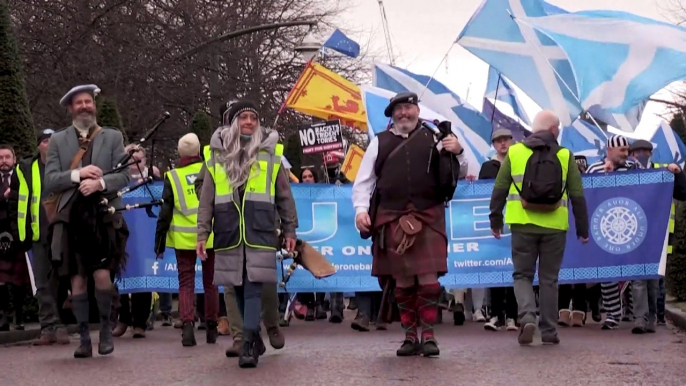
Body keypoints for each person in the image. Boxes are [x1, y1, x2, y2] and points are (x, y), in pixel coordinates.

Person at [353, 91, 467, 357]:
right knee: (402, 279)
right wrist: (360, 211)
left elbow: (458, 172)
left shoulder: (436, 139)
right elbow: (364, 181)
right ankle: (409, 337)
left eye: (408, 108)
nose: (403, 113)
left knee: (428, 277)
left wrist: (458, 152)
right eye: (398, 109)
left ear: (417, 110)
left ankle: (428, 335)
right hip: (391, 217)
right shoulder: (379, 142)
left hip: (428, 214)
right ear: (392, 115)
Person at [197, 100, 298, 368]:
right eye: (244, 117)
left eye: (254, 117)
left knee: (253, 286)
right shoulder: (215, 154)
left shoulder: (270, 153)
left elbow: (284, 195)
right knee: (238, 287)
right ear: (233, 122)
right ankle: (254, 337)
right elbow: (206, 198)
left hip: (260, 228)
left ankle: (249, 344)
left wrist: (290, 228)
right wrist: (201, 233)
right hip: (228, 229)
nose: (250, 122)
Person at [489, 110, 589, 346]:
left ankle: (526, 317)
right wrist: (582, 229)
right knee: (549, 279)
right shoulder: (565, 155)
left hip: (522, 224)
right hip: (555, 226)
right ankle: (549, 331)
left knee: (522, 275)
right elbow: (577, 195)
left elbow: (500, 189)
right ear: (554, 129)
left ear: (534, 129)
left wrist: (496, 220)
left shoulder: (515, 152)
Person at [45, 84, 131, 358]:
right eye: (79, 103)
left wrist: (100, 183)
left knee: (103, 275)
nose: (85, 106)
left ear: (93, 104)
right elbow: (50, 180)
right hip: (70, 219)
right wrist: (78, 176)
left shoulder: (113, 137)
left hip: (104, 216)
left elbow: (125, 175)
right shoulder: (58, 140)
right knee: (77, 281)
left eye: (88, 101)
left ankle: (106, 329)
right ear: (70, 108)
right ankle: (84, 337)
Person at [155, 133, 220, 346]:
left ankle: (187, 328)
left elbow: (165, 212)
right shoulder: (210, 170)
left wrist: (159, 241)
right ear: (198, 151)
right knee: (211, 283)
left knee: (186, 284)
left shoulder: (172, 176)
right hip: (209, 235)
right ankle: (212, 328)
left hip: (183, 238)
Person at [15, 130, 71, 344]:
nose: (50, 144)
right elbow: (18, 201)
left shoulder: (67, 166)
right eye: (46, 141)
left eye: (53, 141)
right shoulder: (27, 168)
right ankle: (48, 327)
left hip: (63, 232)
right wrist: (20, 232)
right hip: (38, 233)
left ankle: (61, 324)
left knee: (62, 280)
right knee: (42, 283)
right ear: (39, 145)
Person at [627, 139, 686, 333]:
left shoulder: (663, 172)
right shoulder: (627, 173)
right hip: (633, 232)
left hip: (657, 233)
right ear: (631, 155)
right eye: (637, 152)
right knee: (637, 278)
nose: (641, 155)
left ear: (650, 153)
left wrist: (678, 174)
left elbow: (682, 193)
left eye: (645, 151)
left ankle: (651, 317)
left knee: (652, 280)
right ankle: (640, 320)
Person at [112, 144, 159, 338]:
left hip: (144, 236)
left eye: (138, 158)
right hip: (122, 234)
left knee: (143, 277)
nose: (134, 162)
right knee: (122, 276)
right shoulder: (117, 179)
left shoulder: (151, 178)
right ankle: (123, 319)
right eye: (130, 158)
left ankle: (140, 322)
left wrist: (154, 176)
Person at [480, 129, 518, 332]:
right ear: (494, 144)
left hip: (516, 222)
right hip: (495, 224)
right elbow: (477, 194)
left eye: (506, 139)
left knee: (515, 270)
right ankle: (495, 315)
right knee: (495, 267)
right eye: (498, 141)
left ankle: (512, 316)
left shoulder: (520, 162)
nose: (502, 143)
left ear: (512, 141)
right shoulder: (488, 166)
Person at [0, 144, 31, 332]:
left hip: (18, 232)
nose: (4, 161)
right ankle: (3, 315)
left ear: (14, 159)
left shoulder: (22, 177)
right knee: (1, 278)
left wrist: (13, 196)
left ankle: (19, 316)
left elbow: (30, 197)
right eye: (0, 157)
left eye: (7, 157)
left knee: (19, 278)